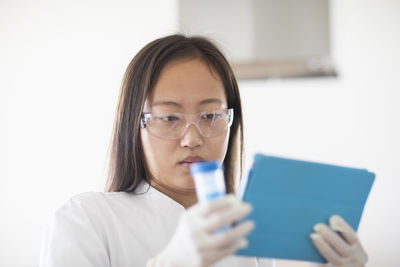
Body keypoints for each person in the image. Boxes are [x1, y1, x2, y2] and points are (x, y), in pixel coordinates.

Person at [40, 34, 368, 267]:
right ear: (134, 125)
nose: (192, 139)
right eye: (169, 117)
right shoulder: (85, 220)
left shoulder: (249, 230)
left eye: (210, 116)